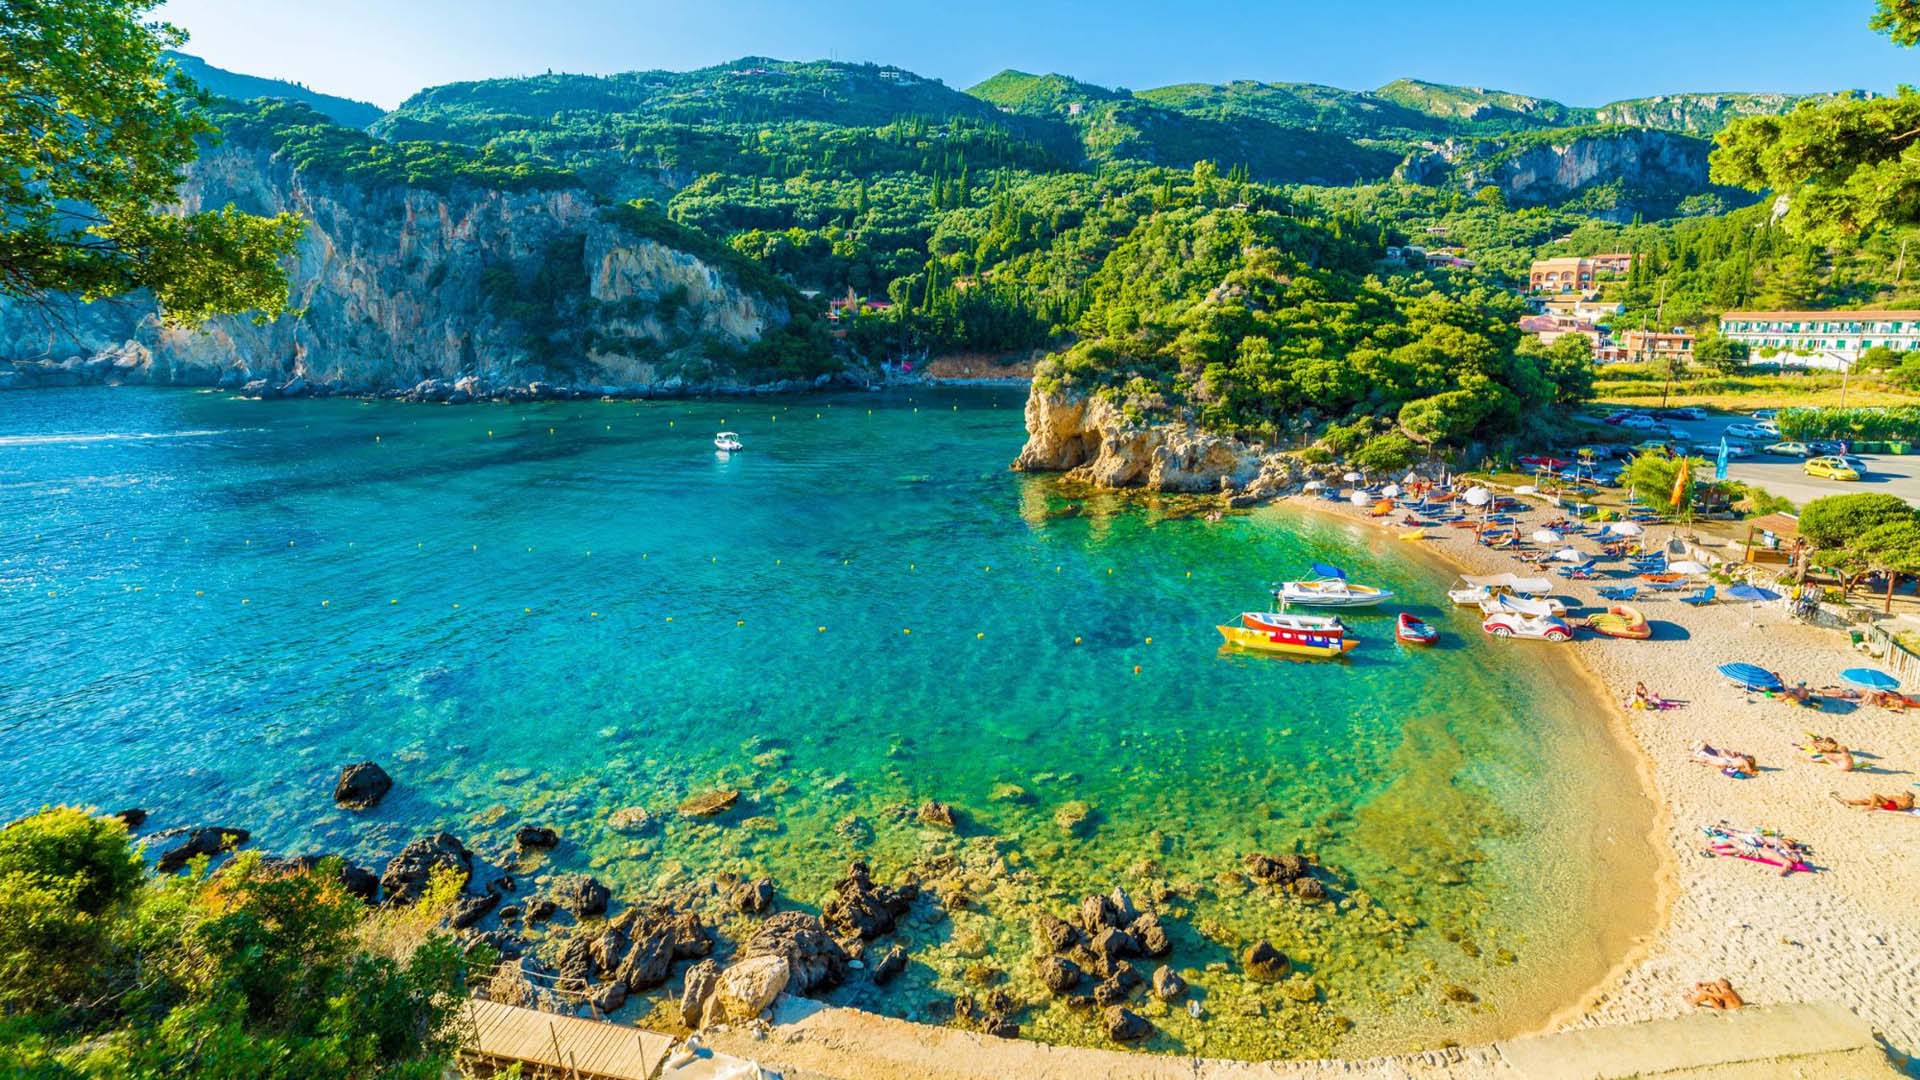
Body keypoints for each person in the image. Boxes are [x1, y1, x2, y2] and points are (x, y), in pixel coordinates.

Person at [1835, 790, 1917, 812]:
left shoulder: (1905, 801)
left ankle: (1871, 807)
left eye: (1905, 794)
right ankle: (1849, 802)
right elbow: (1909, 807)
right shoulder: (1910, 803)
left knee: (1875, 795)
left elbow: (1899, 805)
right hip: (1891, 805)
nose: (1903, 794)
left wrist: (1892, 799)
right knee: (1867, 800)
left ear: (1908, 797)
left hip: (1892, 806)